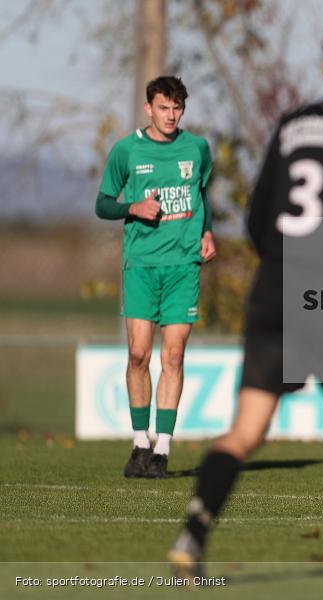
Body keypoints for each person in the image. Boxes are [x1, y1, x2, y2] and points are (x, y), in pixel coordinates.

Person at [168, 19, 323, 588]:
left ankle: (192, 536)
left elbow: (257, 216)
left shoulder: (294, 122)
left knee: (247, 427)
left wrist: (278, 268)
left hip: (275, 284)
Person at [95, 76, 216, 479]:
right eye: (163, 108)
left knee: (175, 355)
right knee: (138, 355)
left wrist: (207, 232)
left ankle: (162, 449)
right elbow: (102, 204)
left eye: (177, 108)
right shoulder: (126, 150)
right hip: (142, 266)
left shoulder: (197, 148)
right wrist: (133, 208)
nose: (171, 115)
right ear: (148, 108)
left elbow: (202, 195)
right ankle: (139, 442)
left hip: (183, 266)